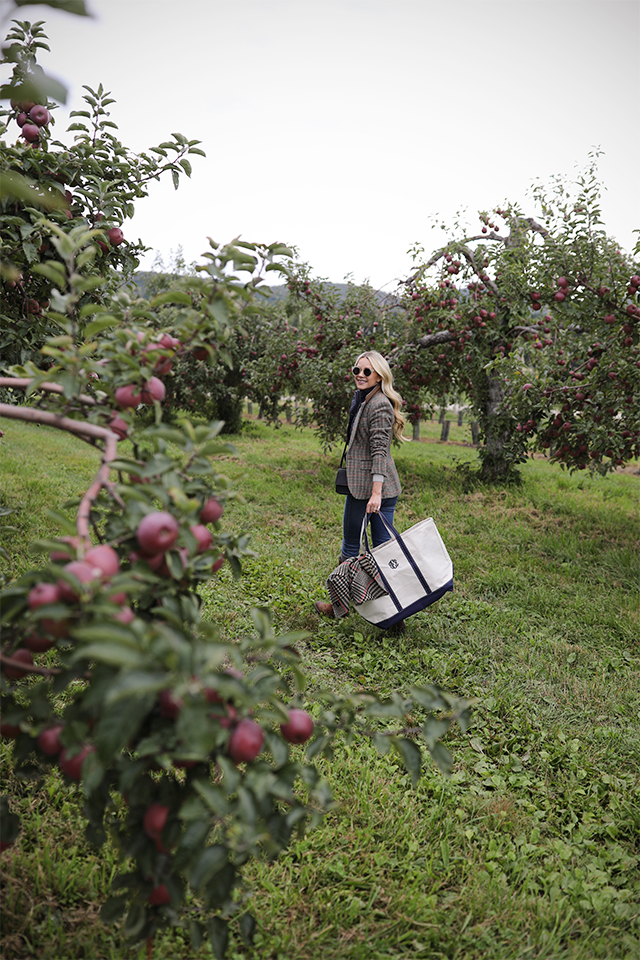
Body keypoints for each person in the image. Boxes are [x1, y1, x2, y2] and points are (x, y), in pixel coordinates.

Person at [315, 350, 408, 619]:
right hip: (372, 489)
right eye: (356, 370)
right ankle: (394, 614)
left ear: (379, 375)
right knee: (382, 552)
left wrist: (375, 493)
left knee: (352, 549)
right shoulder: (364, 399)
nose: (360, 375)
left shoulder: (378, 404)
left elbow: (380, 450)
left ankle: (340, 607)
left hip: (371, 491)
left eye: (366, 371)